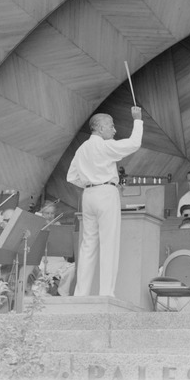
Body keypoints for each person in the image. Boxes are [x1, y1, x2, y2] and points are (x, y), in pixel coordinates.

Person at [67, 106, 144, 297]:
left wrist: (88, 181)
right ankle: (106, 293)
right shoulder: (104, 146)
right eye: (111, 126)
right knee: (109, 244)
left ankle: (81, 294)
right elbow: (134, 143)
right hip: (106, 193)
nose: (114, 130)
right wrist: (138, 120)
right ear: (100, 129)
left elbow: (71, 177)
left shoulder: (82, 148)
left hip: (88, 195)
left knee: (88, 245)